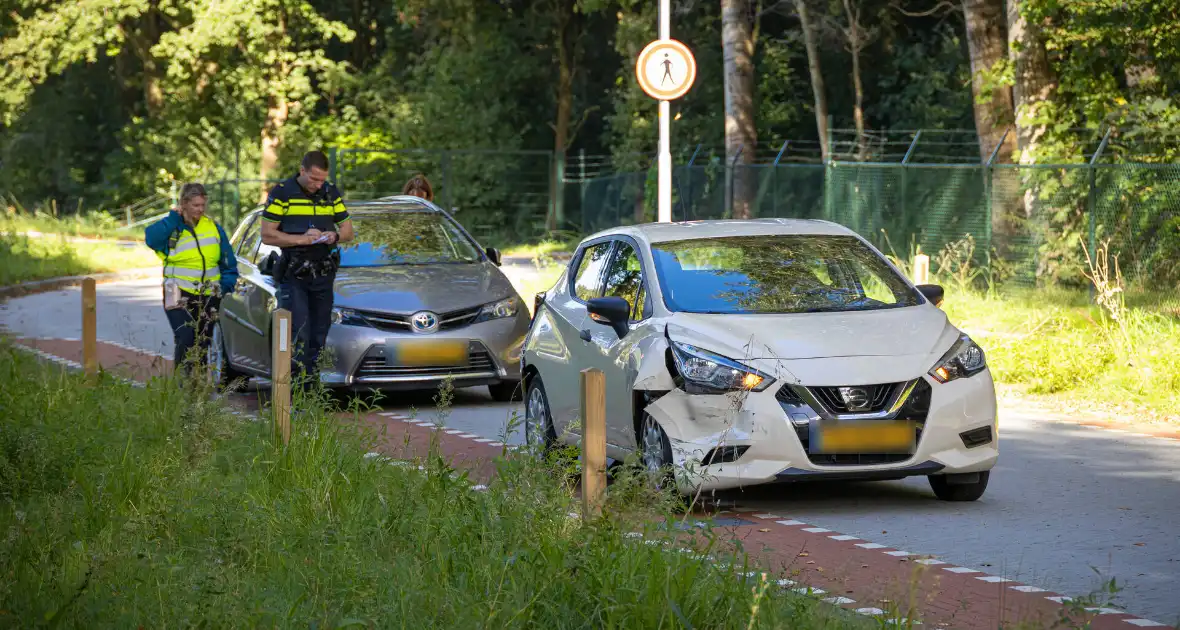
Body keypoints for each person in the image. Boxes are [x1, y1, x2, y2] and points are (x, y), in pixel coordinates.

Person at [260, 150, 355, 390]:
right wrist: (301, 239)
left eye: (322, 179)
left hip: (323, 273)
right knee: (299, 334)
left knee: (319, 335)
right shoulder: (282, 193)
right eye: (313, 179)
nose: (318, 184)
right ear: (302, 171)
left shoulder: (330, 192)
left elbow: (349, 231)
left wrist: (333, 235)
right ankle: (294, 392)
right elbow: (267, 235)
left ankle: (310, 392)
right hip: (295, 275)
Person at [144, 182, 239, 379]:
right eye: (195, 205)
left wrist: (226, 285)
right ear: (184, 204)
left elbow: (228, 260)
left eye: (203, 205)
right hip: (177, 291)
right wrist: (173, 218)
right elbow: (151, 239)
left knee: (203, 342)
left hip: (209, 293)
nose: (200, 210)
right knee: (186, 337)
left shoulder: (213, 228)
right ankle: (184, 383)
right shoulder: (171, 227)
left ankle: (199, 386)